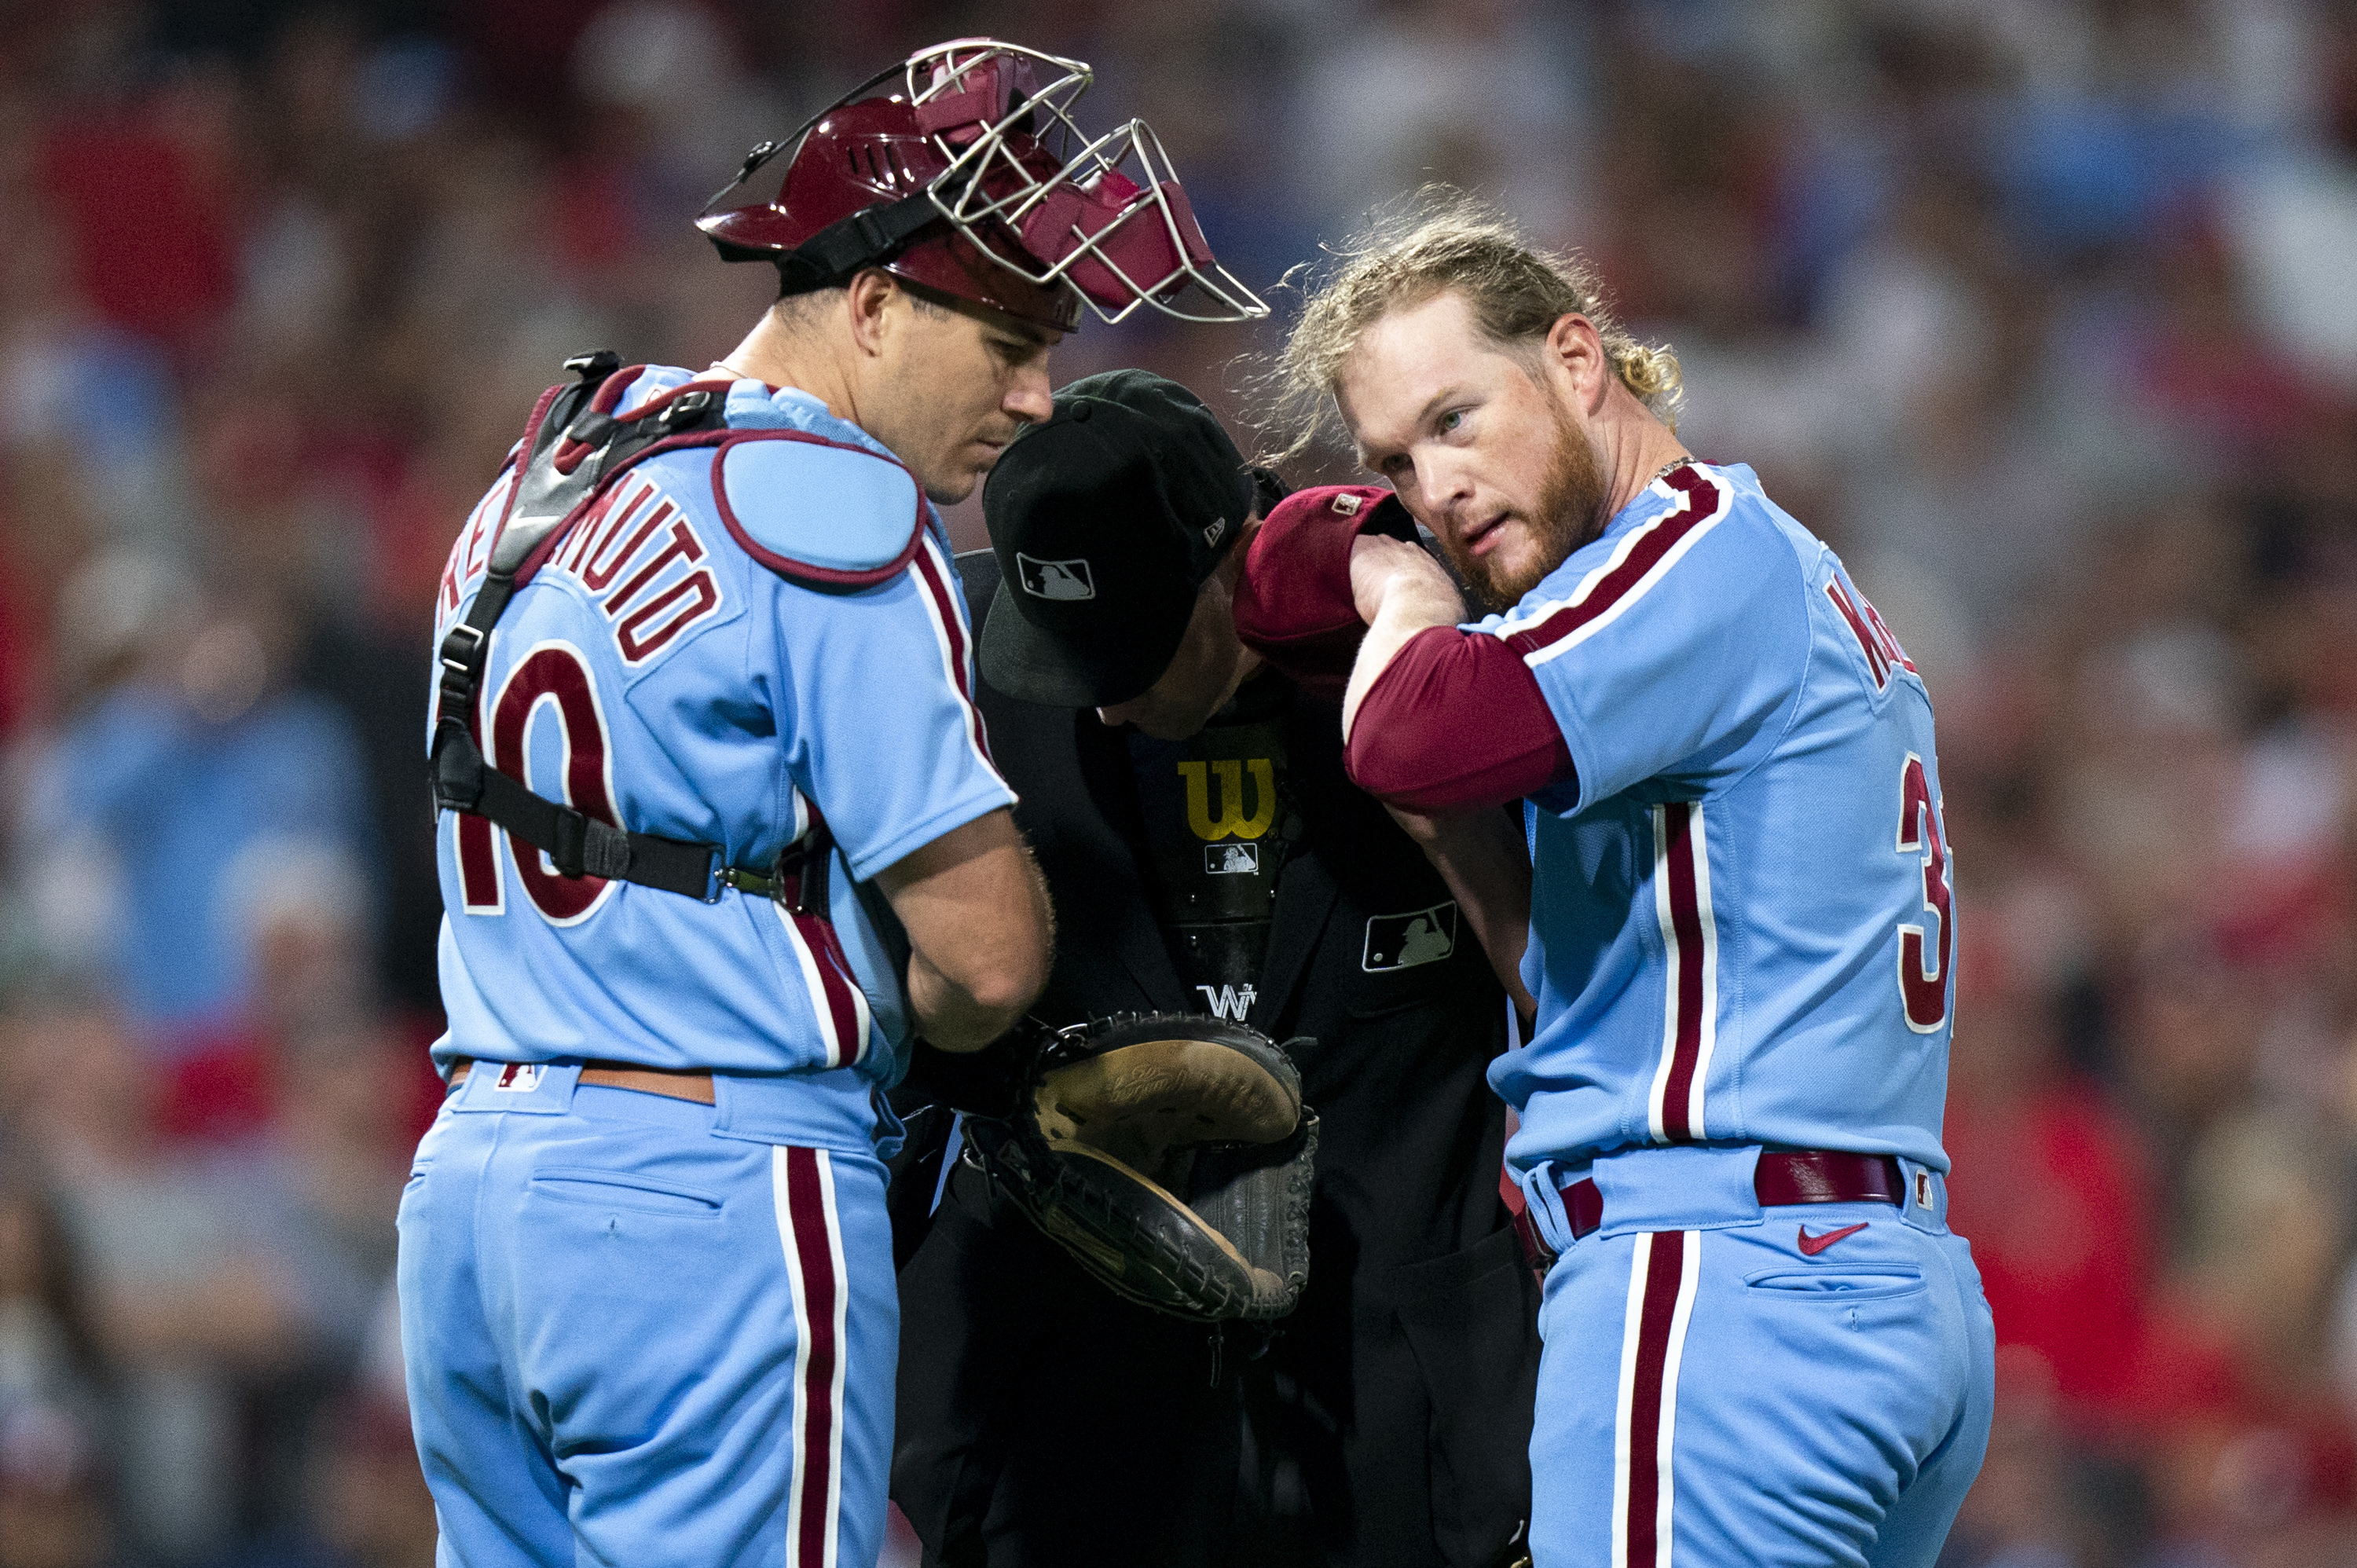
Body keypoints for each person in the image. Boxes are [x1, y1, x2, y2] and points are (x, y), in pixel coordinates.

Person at [398, 42, 1263, 1567]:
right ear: (870, 304)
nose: (1036, 393)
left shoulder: (563, 459)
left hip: (476, 1187)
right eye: (1007, 340)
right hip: (703, 1193)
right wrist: (956, 1057)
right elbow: (987, 956)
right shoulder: (828, 500)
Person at [1236, 197, 1997, 1566]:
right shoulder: (1766, 577)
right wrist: (1371, 538)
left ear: (1578, 363)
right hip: (1864, 1276)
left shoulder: (1693, 554)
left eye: (1458, 419)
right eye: (1399, 463)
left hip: (1720, 1282)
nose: (1438, 491)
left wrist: (1405, 598)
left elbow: (1410, 725)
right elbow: (1279, 580)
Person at [890, 368, 1541, 1568]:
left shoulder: (1435, 667)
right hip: (1060, 1426)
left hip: (1396, 1413)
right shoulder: (944, 673)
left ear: (1231, 560)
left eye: (1132, 650)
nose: (1104, 700)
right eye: (1064, 654)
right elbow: (882, 1023)